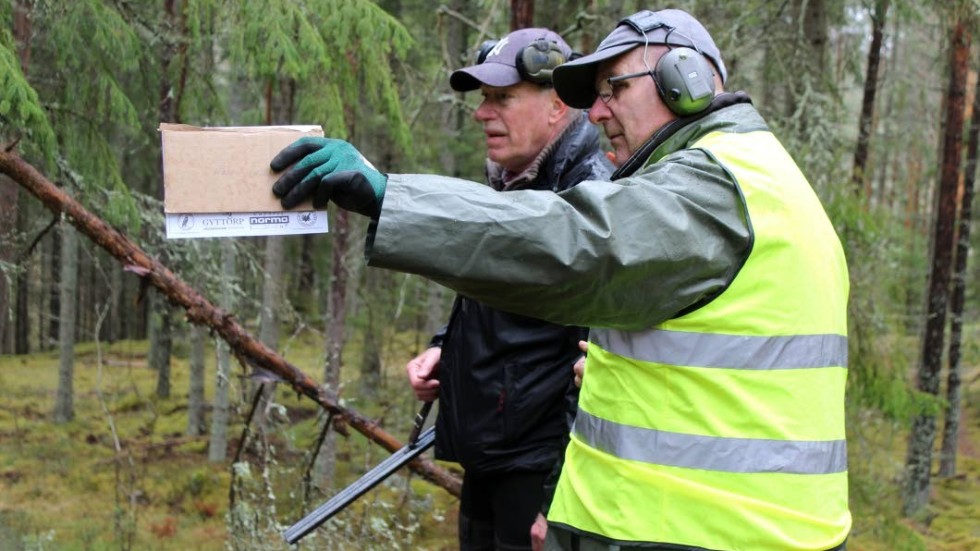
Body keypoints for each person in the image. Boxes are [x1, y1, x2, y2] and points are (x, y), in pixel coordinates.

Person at [269, 8, 851, 551]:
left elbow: (572, 242)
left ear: (687, 78)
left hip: (708, 529)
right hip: (701, 522)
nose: (598, 113)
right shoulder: (748, 176)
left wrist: (388, 196)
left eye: (614, 89)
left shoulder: (712, 187)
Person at [404, 27, 611, 551]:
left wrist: (557, 496)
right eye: (483, 99)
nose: (481, 113)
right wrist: (444, 347)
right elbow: (499, 299)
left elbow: (599, 364)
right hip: (490, 458)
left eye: (501, 98)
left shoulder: (592, 202)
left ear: (557, 105)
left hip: (538, 475)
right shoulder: (513, 181)